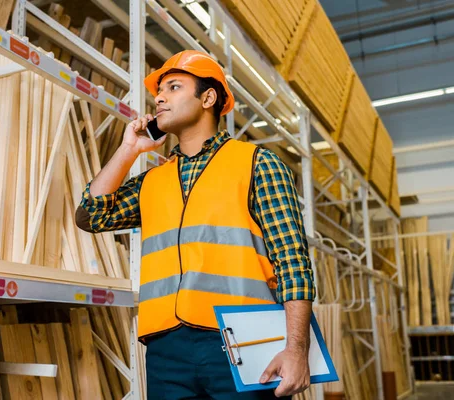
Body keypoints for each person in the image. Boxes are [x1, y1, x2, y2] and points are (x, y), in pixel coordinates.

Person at [76, 50, 315, 399]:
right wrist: (129, 150)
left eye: (173, 87)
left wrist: (297, 349)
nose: (159, 98)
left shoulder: (257, 164)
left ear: (208, 97)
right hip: (166, 349)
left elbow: (293, 261)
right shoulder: (153, 181)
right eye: (159, 91)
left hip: (243, 343)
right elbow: (91, 214)